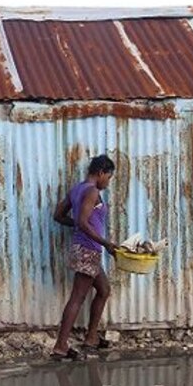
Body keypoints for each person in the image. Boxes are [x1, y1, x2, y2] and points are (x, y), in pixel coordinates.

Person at [51, 155, 118, 361]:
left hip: (85, 248)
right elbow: (82, 221)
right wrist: (106, 243)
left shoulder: (77, 189)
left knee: (104, 290)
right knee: (78, 297)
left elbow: (59, 215)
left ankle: (91, 338)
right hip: (89, 249)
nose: (108, 181)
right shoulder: (91, 191)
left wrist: (78, 227)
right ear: (100, 173)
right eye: (109, 176)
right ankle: (61, 347)